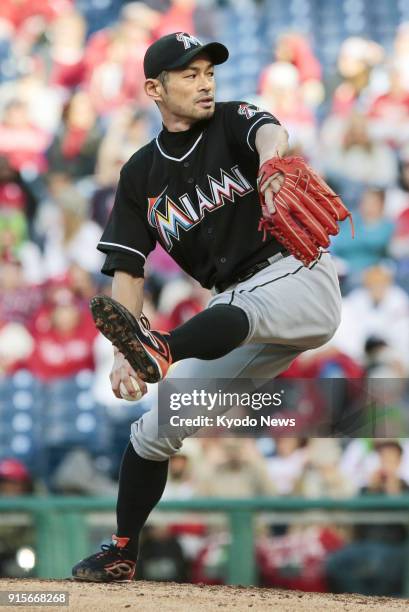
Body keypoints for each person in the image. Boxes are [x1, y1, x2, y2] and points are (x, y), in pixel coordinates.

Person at [72, 32, 342, 582]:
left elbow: (270, 131)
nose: (205, 82)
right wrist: (126, 350)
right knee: (154, 431)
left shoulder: (230, 120)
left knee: (247, 312)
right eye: (189, 74)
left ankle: (164, 347)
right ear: (154, 87)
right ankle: (122, 549)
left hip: (298, 275)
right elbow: (128, 269)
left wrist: (270, 163)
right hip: (233, 307)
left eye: (209, 72)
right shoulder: (140, 174)